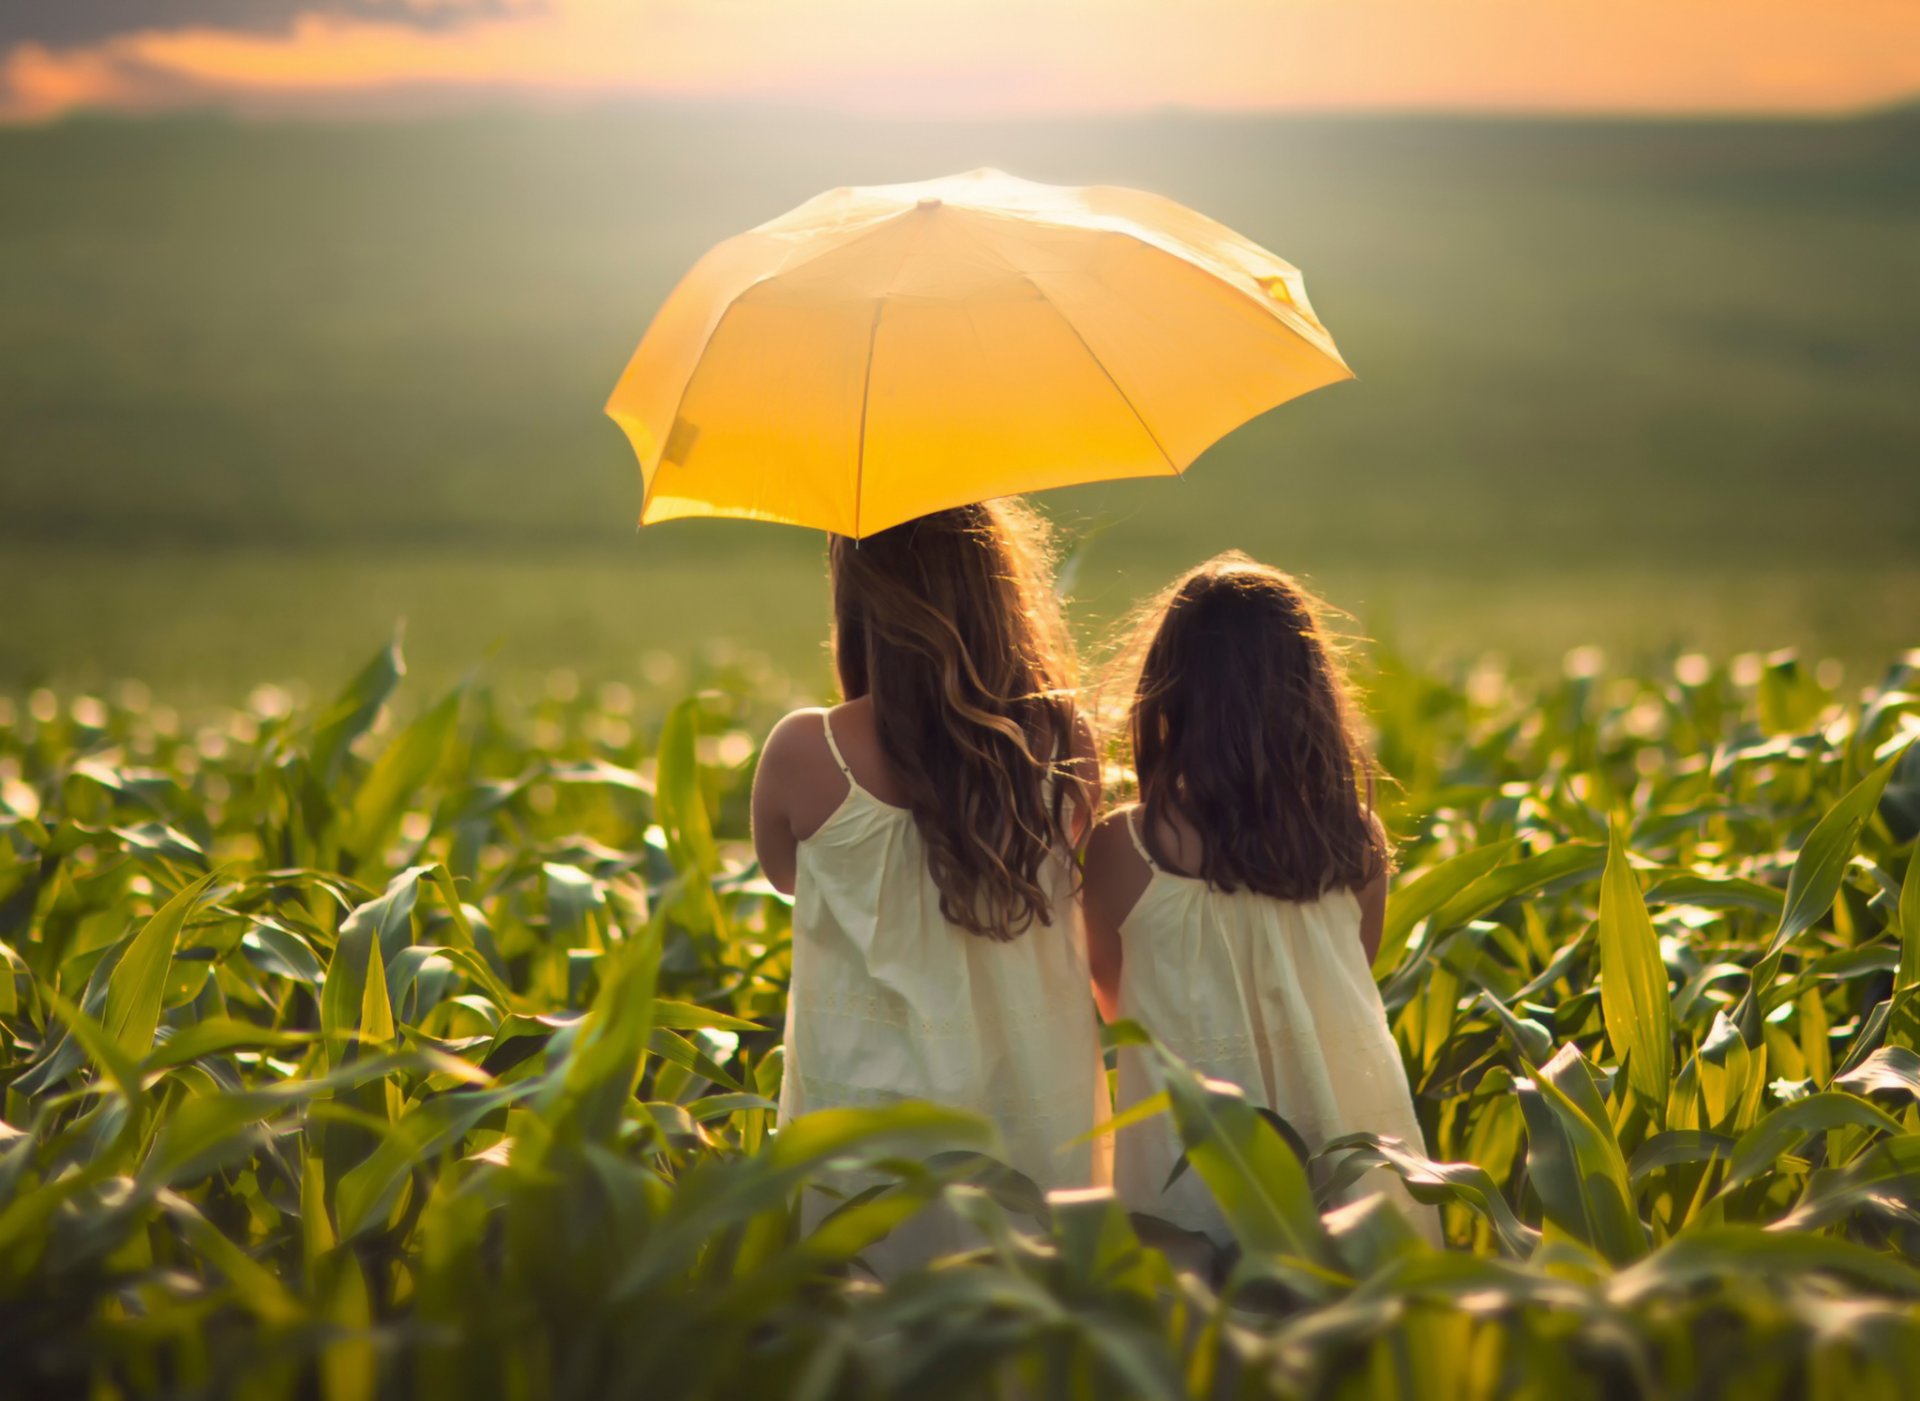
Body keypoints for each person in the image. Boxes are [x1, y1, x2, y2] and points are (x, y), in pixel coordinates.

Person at [751, 499, 1109, 1275]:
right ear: (997, 591)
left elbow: (786, 878)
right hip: (1035, 1121)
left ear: (856, 601)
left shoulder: (804, 752)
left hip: (864, 1138)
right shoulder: (1064, 741)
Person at [1082, 552, 1439, 1247]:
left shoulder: (1126, 849)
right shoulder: (1353, 840)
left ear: (1166, 692)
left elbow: (1118, 1010)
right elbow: (1349, 984)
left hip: (1189, 1172)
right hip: (1347, 1162)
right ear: (1310, 693)